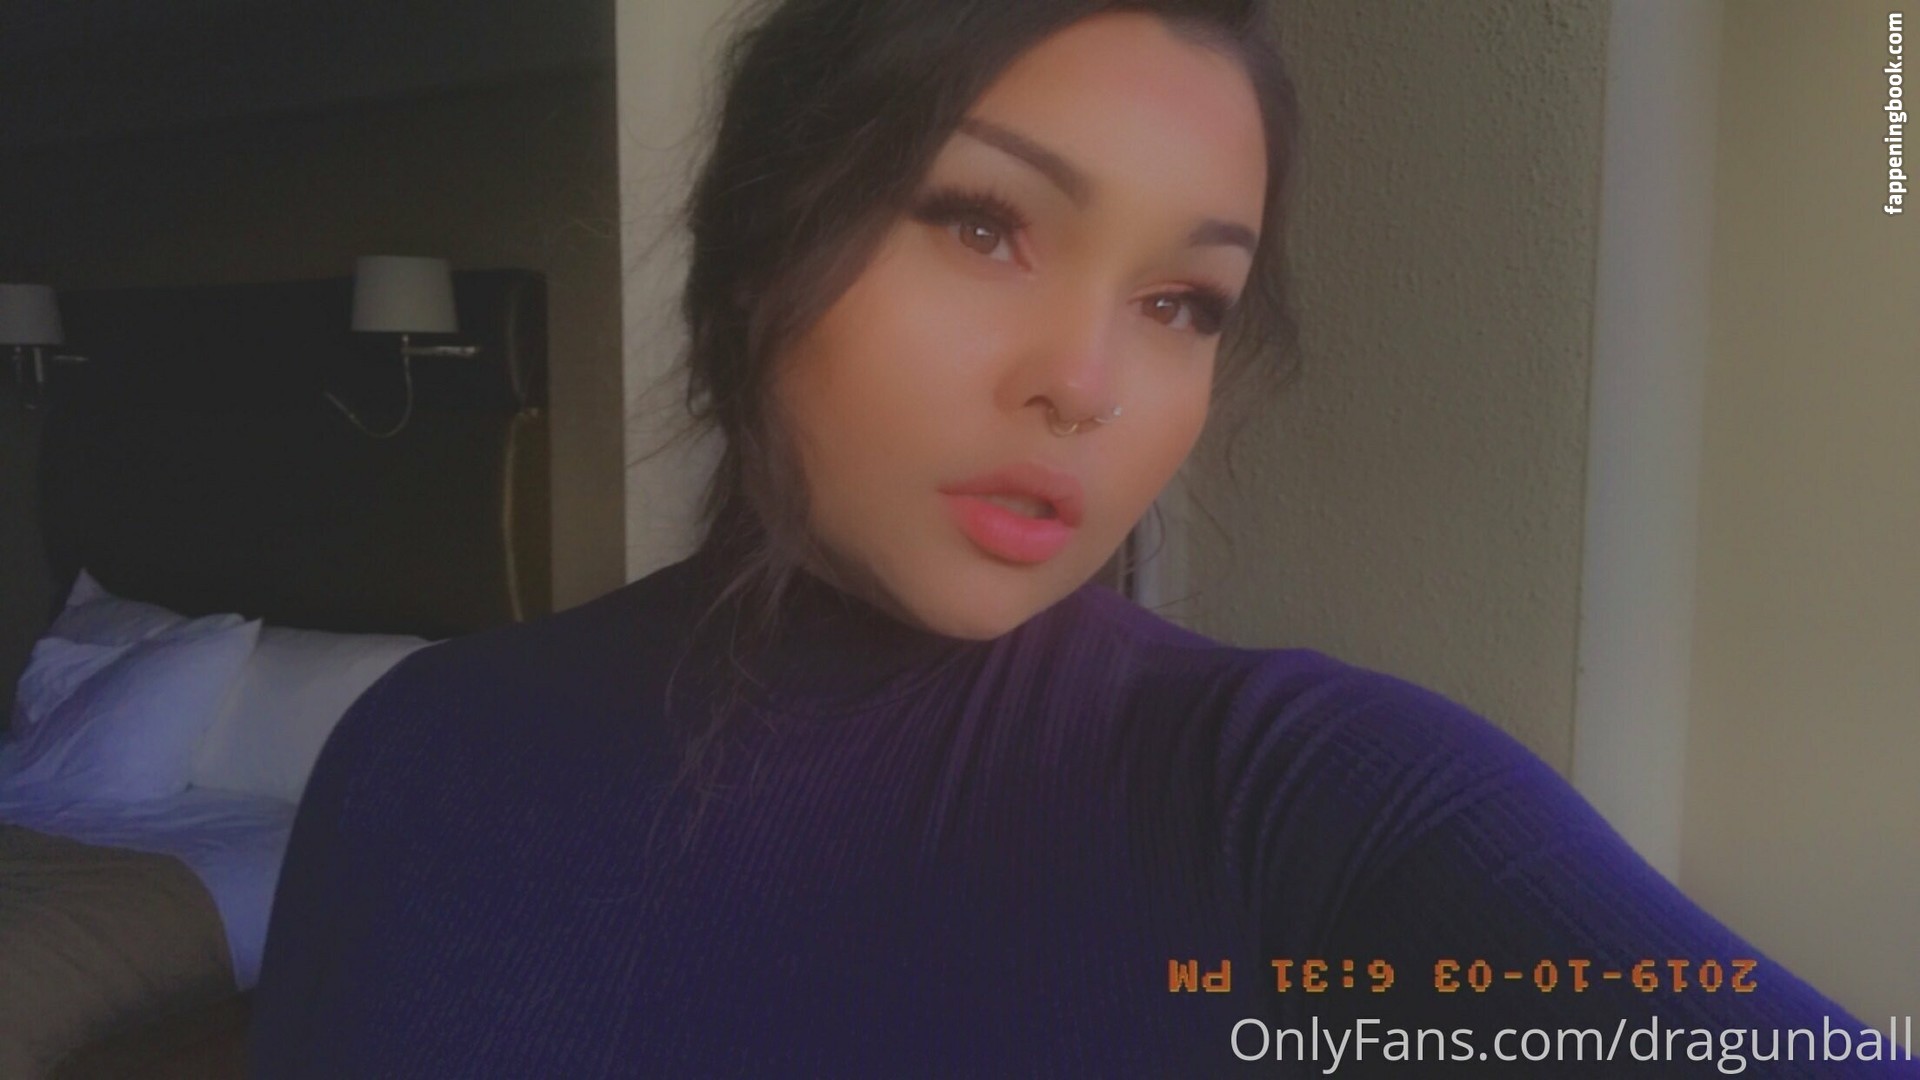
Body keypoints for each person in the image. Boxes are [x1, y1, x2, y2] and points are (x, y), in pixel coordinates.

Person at [248, 1, 1916, 1076]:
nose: (1088, 383)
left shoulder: (1290, 797)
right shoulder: (414, 760)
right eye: (984, 224)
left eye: (1183, 301)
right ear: (765, 241)